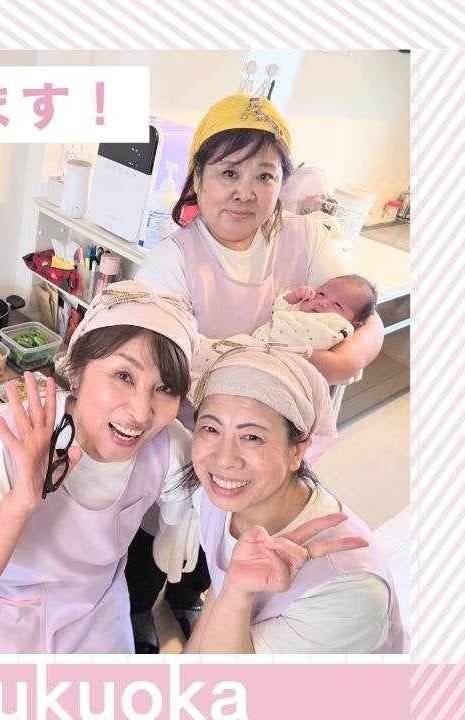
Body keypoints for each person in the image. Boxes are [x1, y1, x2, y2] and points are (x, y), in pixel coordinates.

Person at [129, 94, 386, 651]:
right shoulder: (173, 260)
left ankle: (196, 598)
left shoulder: (305, 237)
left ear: (281, 183)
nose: (245, 192)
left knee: (237, 527)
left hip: (268, 440)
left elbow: (366, 317)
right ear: (197, 178)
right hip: (195, 434)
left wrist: (340, 360)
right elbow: (154, 356)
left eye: (264, 176)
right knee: (159, 528)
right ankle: (140, 608)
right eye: (228, 173)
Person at [0, 282, 198, 653]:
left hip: (101, 623)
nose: (141, 412)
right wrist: (20, 503)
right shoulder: (11, 441)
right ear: (76, 371)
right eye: (123, 376)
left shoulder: (167, 445)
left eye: (165, 388)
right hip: (10, 628)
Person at [181, 346, 406, 653]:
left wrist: (236, 596)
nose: (223, 460)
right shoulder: (217, 497)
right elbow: (219, 593)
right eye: (210, 429)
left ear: (297, 450)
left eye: (252, 437)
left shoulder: (349, 594)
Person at [188, 275, 379, 402]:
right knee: (208, 350)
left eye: (337, 305)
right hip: (251, 345)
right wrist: (294, 297)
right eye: (321, 293)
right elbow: (279, 307)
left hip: (270, 362)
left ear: (355, 323)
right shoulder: (300, 308)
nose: (322, 302)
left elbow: (348, 363)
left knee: (226, 374)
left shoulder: (337, 326)